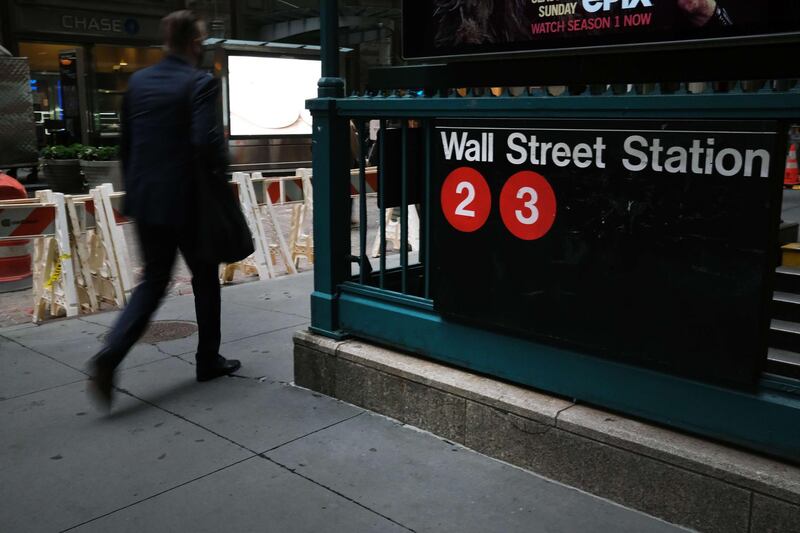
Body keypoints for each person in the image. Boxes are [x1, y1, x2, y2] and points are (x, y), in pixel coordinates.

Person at [88, 10, 240, 409]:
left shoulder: (138, 82)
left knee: (153, 281)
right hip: (189, 201)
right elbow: (206, 143)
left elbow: (126, 145)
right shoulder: (200, 83)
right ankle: (208, 359)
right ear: (194, 44)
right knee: (205, 278)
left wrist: (131, 192)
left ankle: (112, 352)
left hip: (146, 197)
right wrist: (225, 161)